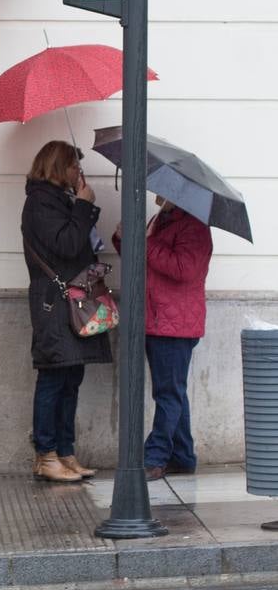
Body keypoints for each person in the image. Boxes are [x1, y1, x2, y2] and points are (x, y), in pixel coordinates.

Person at [21, 141, 111, 483]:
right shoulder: (41, 203)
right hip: (54, 302)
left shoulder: (61, 200)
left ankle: (65, 450)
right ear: (59, 168)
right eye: (74, 166)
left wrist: (81, 206)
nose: (79, 172)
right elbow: (67, 245)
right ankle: (46, 455)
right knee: (54, 375)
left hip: (71, 300)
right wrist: (85, 207)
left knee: (71, 376)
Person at [113, 196, 213, 481]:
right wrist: (124, 240)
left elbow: (184, 269)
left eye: (162, 190)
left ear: (179, 193)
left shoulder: (193, 226)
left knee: (167, 394)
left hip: (174, 324)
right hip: (158, 319)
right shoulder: (161, 220)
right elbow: (145, 261)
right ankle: (182, 456)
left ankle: (154, 457)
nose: (156, 195)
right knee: (173, 391)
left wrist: (144, 242)